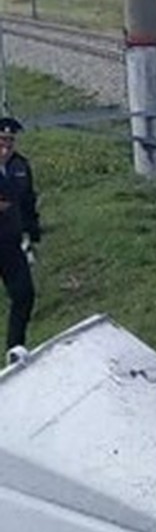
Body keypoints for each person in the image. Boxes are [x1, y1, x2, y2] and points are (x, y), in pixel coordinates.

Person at [0, 116, 40, 355]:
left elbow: (27, 201)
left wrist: (32, 235)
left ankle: (15, 348)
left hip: (11, 243)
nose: (5, 147)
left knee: (24, 294)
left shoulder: (20, 167)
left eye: (10, 142)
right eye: (1, 141)